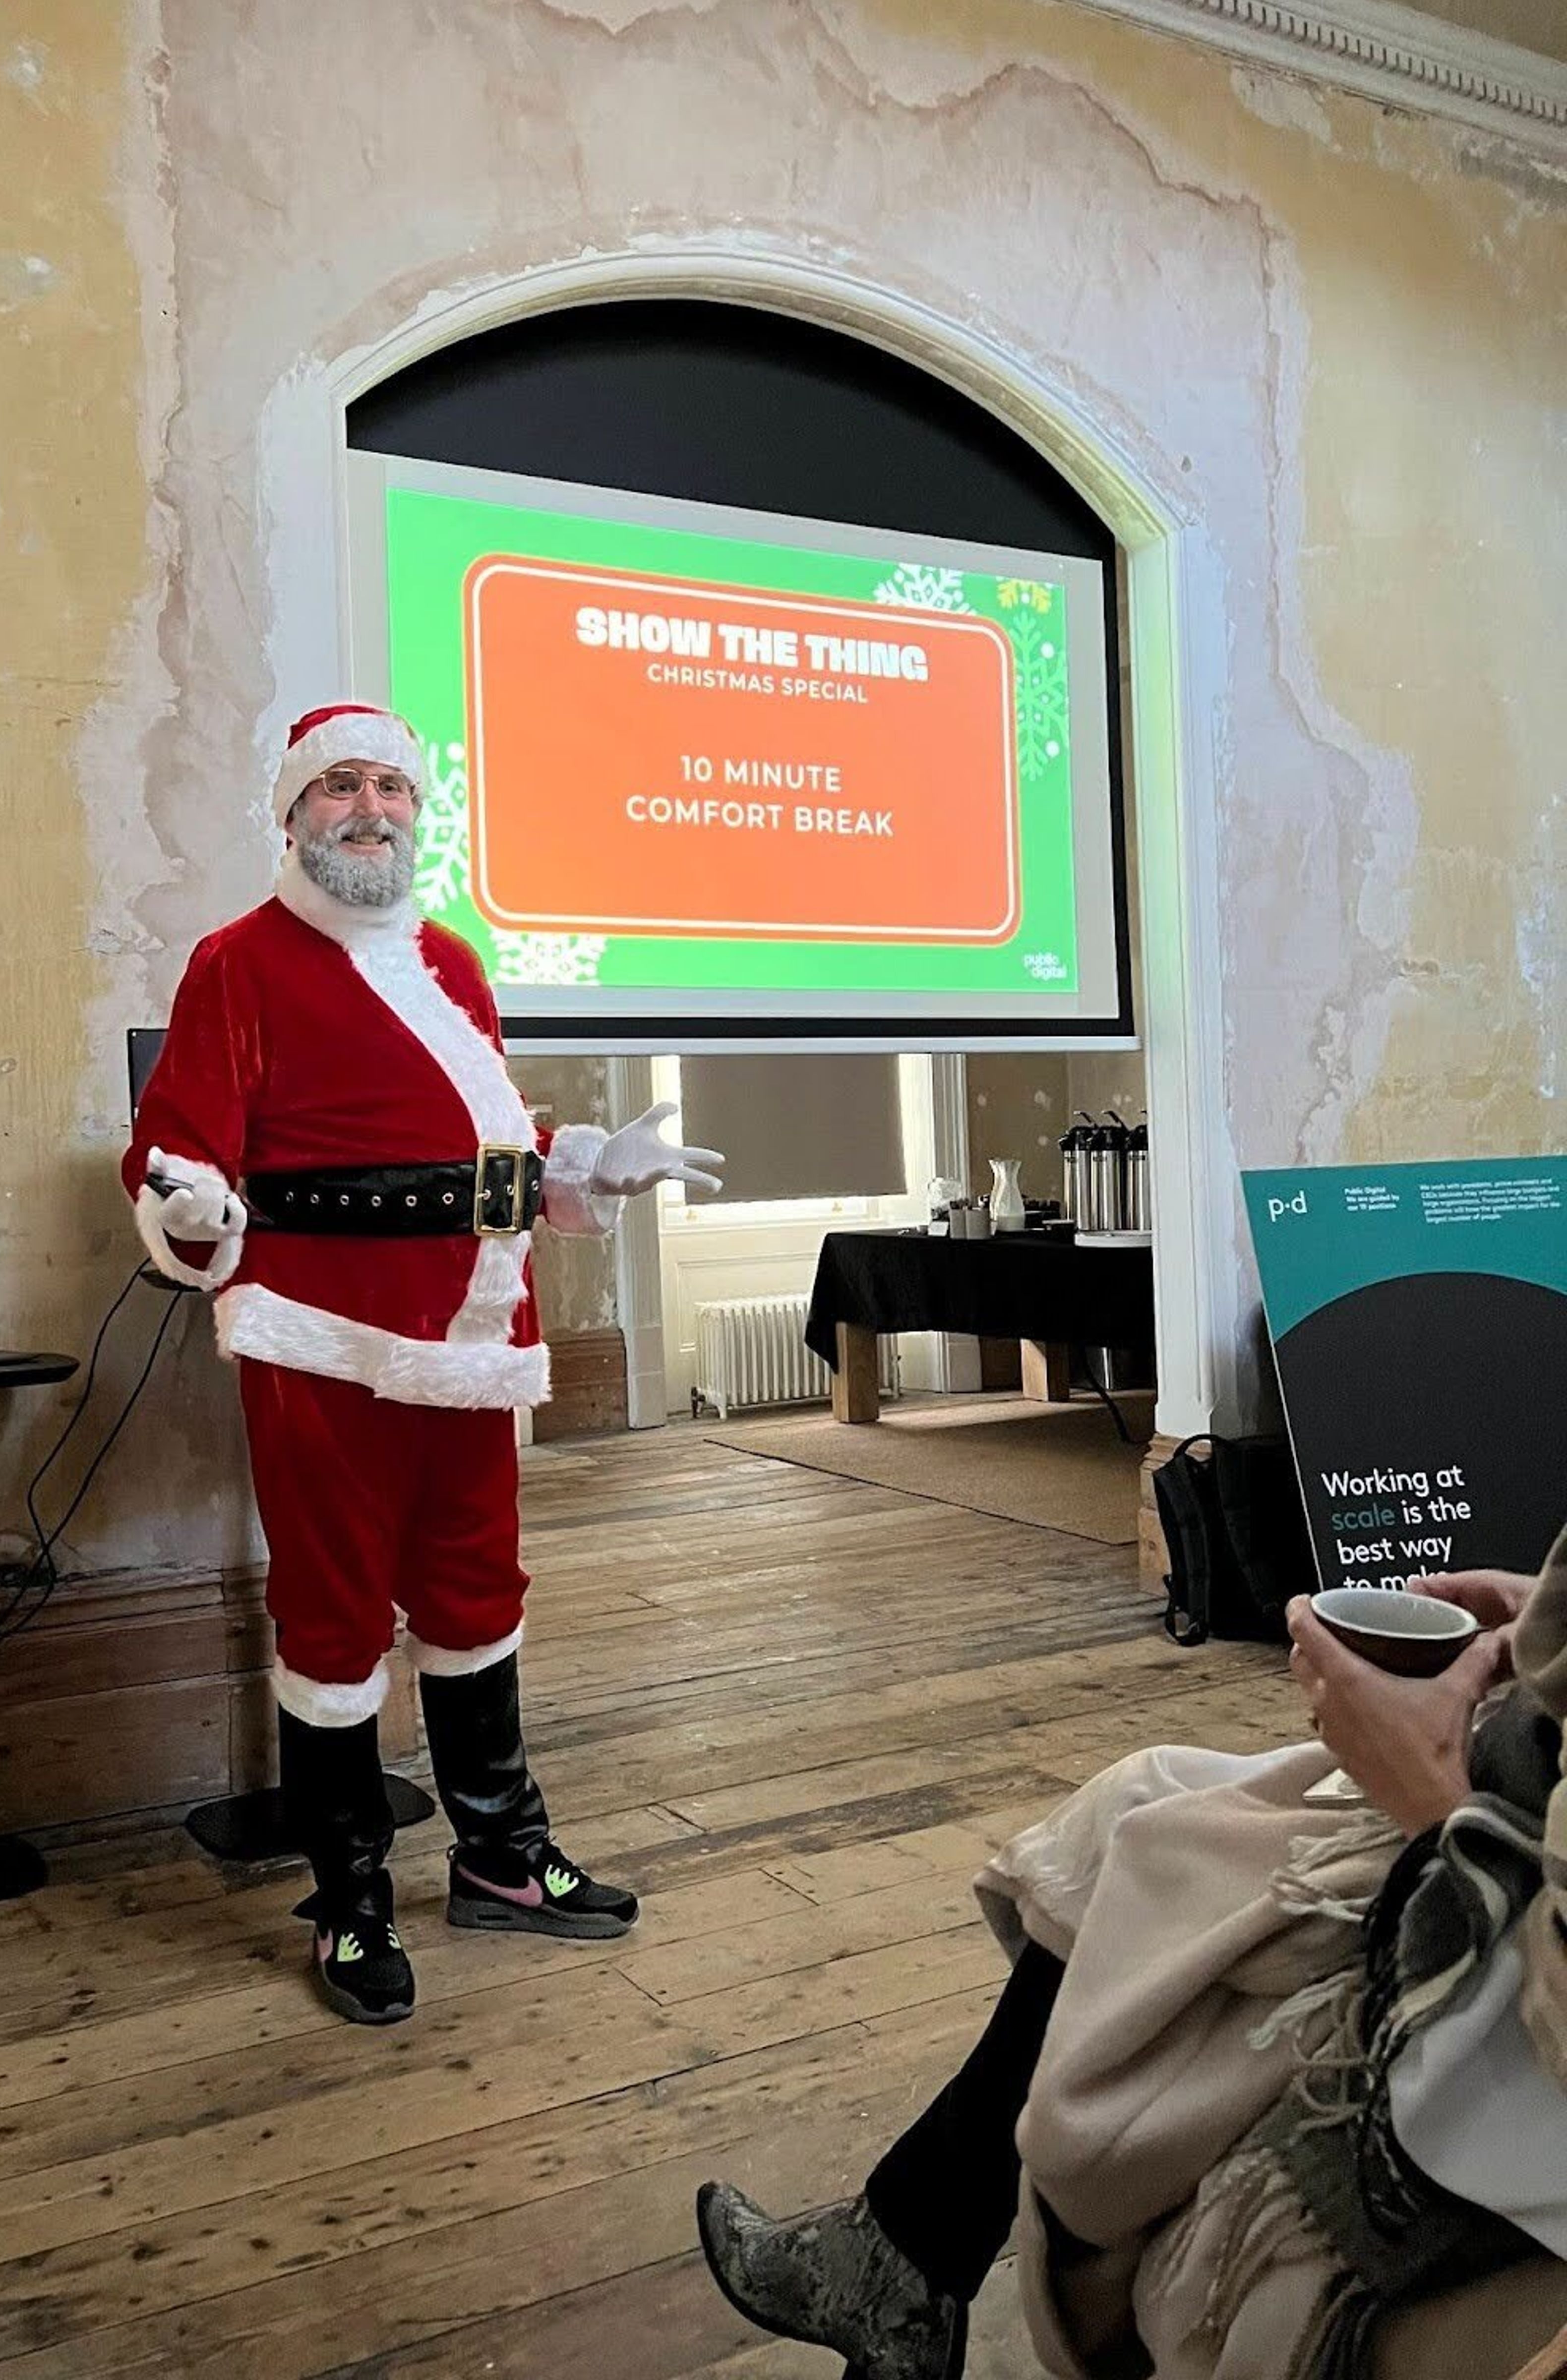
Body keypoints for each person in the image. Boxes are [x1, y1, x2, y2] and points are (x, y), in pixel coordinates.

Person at [123, 703, 723, 2025]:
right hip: (320, 1332)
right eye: (338, 788)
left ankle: (502, 1857)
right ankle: (348, 1898)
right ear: (293, 816)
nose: (369, 810)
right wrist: (191, 1210)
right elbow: (176, 1147)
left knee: (476, 1592)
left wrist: (578, 1167)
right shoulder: (237, 962)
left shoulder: (450, 955)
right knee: (334, 1617)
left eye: (390, 787)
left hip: (471, 1334)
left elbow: (479, 1129)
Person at [696, 1552, 1567, 2379]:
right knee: (1139, 1804)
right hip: (1526, 1807)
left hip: (1519, 1993)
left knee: (1163, 1885)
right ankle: (905, 2261)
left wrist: (1434, 1802)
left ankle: (917, 2267)